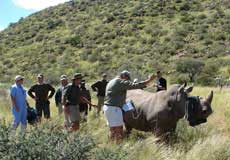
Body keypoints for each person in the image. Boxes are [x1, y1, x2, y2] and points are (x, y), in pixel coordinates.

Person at [103, 70, 156, 142]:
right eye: (127, 79)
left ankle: (111, 145)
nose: (128, 81)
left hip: (108, 107)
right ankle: (118, 147)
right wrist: (149, 80)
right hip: (114, 108)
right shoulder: (119, 82)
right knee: (119, 130)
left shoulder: (112, 81)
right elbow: (135, 86)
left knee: (113, 129)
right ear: (124, 76)